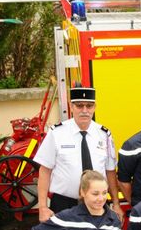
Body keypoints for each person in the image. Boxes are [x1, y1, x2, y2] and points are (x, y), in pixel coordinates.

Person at [34, 85, 122, 222]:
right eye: (79, 106)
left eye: (89, 106)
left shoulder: (104, 135)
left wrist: (116, 203)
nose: (85, 111)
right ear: (71, 106)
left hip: (97, 204)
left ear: (94, 107)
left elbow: (110, 171)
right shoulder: (56, 133)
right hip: (64, 204)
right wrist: (42, 207)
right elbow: (44, 171)